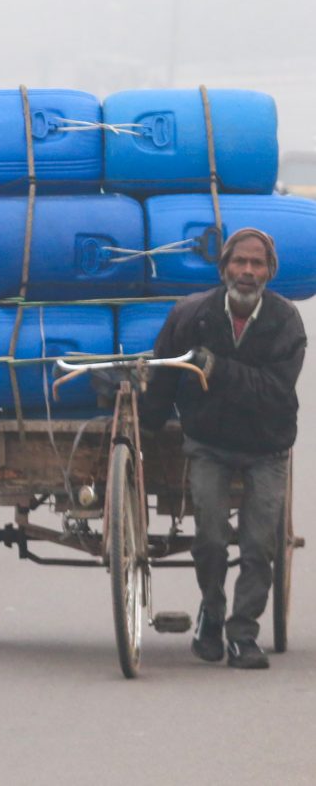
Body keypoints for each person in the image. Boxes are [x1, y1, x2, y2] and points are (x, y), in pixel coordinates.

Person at [142, 227, 304, 670]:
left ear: (270, 272)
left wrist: (217, 367)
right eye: (240, 262)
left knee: (258, 545)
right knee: (210, 537)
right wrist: (144, 428)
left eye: (257, 264)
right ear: (223, 269)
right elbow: (164, 379)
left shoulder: (285, 322)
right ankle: (211, 615)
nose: (247, 272)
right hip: (208, 443)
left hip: (267, 447)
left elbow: (274, 390)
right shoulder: (191, 315)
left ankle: (243, 633)